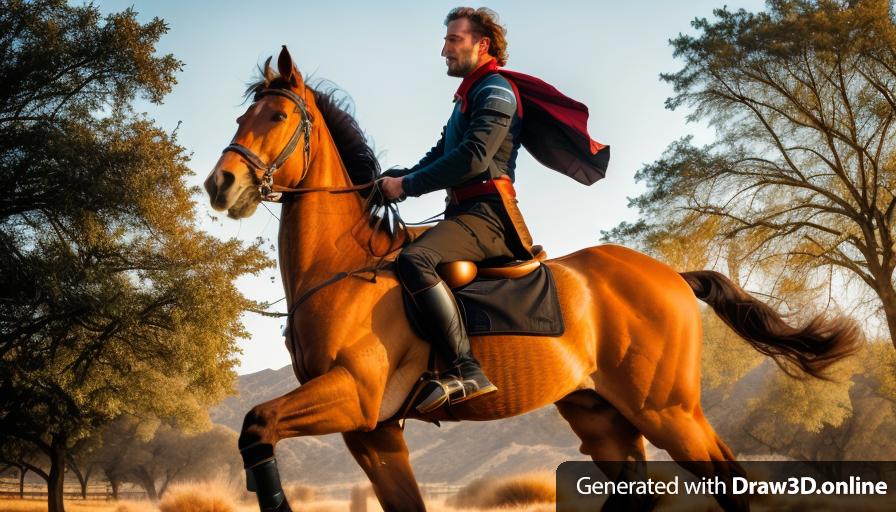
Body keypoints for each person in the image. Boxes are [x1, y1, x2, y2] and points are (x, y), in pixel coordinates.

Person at [379, 7, 532, 413]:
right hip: (463, 215)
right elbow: (439, 155)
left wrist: (407, 186)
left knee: (415, 259)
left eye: (453, 40)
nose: (444, 50)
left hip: (489, 218)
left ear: (482, 45)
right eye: (446, 40)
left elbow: (474, 159)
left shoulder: (495, 90)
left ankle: (467, 369)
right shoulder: (468, 95)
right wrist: (393, 180)